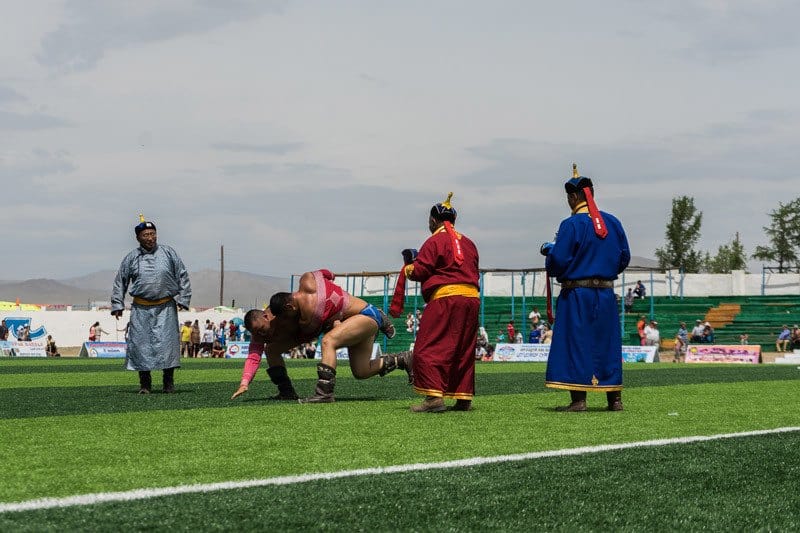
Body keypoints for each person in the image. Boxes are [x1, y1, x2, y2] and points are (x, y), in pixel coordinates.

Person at [231, 269, 407, 403]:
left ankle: (324, 393)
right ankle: (403, 360)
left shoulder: (291, 310)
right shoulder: (265, 327)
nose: (262, 334)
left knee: (329, 341)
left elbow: (319, 300)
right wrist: (245, 382)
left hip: (356, 318)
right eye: (257, 333)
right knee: (361, 372)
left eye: (262, 329)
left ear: (267, 316)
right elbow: (254, 357)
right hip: (334, 324)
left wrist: (335, 322)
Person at [541, 164, 630, 412]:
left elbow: (559, 261)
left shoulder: (571, 225)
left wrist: (550, 252)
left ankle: (579, 400)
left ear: (573, 197)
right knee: (607, 343)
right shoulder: (613, 222)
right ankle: (615, 399)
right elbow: (624, 258)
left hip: (577, 293)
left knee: (575, 343)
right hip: (605, 292)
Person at [396, 192, 480, 413]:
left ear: (434, 220)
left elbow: (421, 270)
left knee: (427, 347)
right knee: (463, 348)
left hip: (445, 299)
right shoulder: (469, 243)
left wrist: (408, 266)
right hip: (471, 299)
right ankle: (463, 398)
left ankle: (434, 398)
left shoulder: (433, 241)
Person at [111, 215, 191, 394]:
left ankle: (168, 383)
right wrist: (117, 304)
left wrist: (184, 299)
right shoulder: (131, 258)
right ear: (138, 238)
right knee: (141, 345)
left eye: (153, 233)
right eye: (146, 234)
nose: (150, 238)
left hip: (166, 307)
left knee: (168, 346)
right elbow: (120, 281)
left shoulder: (169, 253)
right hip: (141, 309)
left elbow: (183, 275)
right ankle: (145, 384)